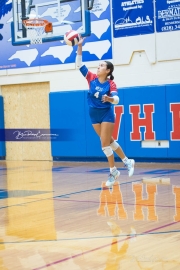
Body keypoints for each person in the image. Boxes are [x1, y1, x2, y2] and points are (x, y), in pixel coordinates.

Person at [76, 37, 135, 187]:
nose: (98, 67)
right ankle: (127, 161)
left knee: (104, 145)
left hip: (106, 114)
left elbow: (117, 100)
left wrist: (109, 99)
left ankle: (113, 171)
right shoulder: (91, 78)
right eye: (99, 65)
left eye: (102, 66)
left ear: (107, 71)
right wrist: (80, 46)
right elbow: (79, 64)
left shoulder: (110, 83)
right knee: (109, 141)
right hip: (93, 114)